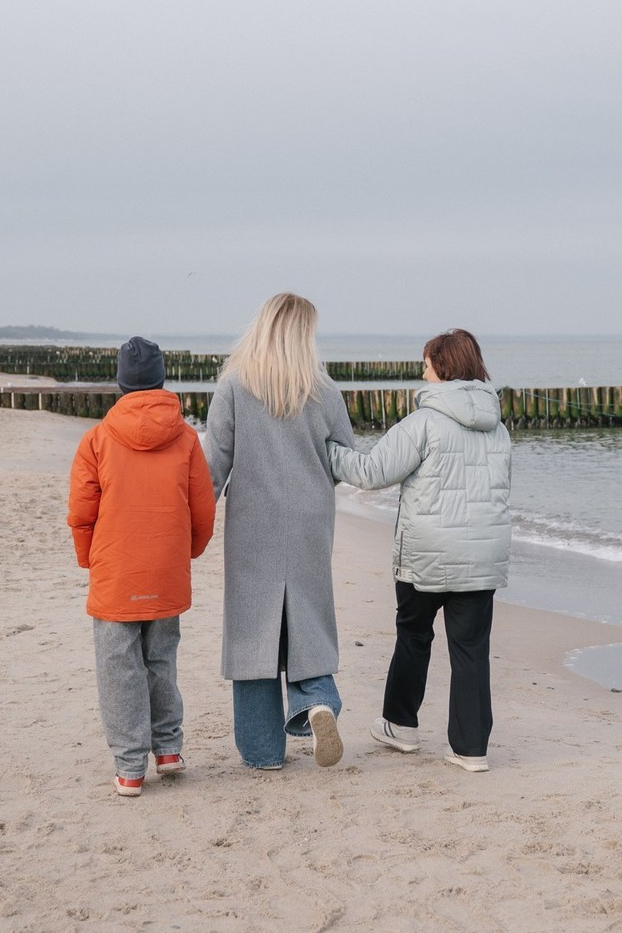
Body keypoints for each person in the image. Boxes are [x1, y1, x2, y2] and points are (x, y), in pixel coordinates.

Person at [327, 329, 511, 772]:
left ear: (443, 367)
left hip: (427, 551)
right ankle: (471, 750)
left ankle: (400, 724)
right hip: (482, 554)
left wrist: (329, 452)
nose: (422, 371)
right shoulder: (498, 426)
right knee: (471, 649)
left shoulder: (424, 421)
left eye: (426, 363)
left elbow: (372, 472)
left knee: (414, 635)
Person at [203, 293, 356, 770]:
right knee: (307, 619)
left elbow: (213, 466)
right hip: (310, 520)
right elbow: (343, 457)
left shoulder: (233, 387)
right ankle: (319, 702)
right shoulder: (324, 391)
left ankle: (263, 750)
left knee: (254, 631)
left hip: (254, 522)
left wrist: (191, 520)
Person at [67, 336, 216, 797]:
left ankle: (131, 766)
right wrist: (185, 553)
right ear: (161, 379)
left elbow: (80, 513)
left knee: (119, 667)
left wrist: (88, 557)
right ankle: (168, 749)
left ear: (120, 383)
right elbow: (203, 509)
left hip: (116, 571)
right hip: (165, 568)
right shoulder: (187, 438)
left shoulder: (96, 438)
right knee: (160, 659)